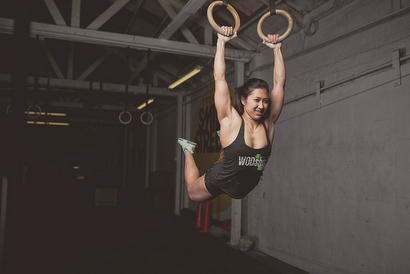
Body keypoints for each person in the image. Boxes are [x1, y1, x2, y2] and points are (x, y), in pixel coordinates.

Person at [178, 26, 285, 202]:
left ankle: (221, 143)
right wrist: (221, 41)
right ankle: (188, 150)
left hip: (243, 187)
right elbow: (219, 78)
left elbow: (279, 83)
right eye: (256, 100)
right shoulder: (230, 120)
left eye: (265, 101)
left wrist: (277, 49)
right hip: (220, 180)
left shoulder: (269, 123)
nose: (262, 106)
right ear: (243, 100)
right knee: (192, 193)